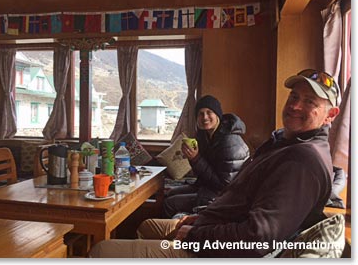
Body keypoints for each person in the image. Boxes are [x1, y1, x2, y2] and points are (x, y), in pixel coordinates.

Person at [89, 69, 340, 258]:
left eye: (310, 102)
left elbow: (258, 237)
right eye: (294, 96)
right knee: (147, 225)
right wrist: (199, 219)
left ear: (330, 115)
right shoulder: (282, 143)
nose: (295, 105)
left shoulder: (302, 161)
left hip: (216, 251)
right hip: (212, 224)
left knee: (102, 250)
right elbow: (236, 198)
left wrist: (197, 235)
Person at [164, 95, 250, 218]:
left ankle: (168, 235)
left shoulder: (229, 142)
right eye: (200, 114)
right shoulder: (205, 136)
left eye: (209, 112)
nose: (205, 117)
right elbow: (204, 173)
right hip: (208, 187)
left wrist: (196, 159)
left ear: (217, 115)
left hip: (226, 196)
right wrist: (191, 158)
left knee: (170, 203)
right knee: (169, 193)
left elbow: (224, 185)